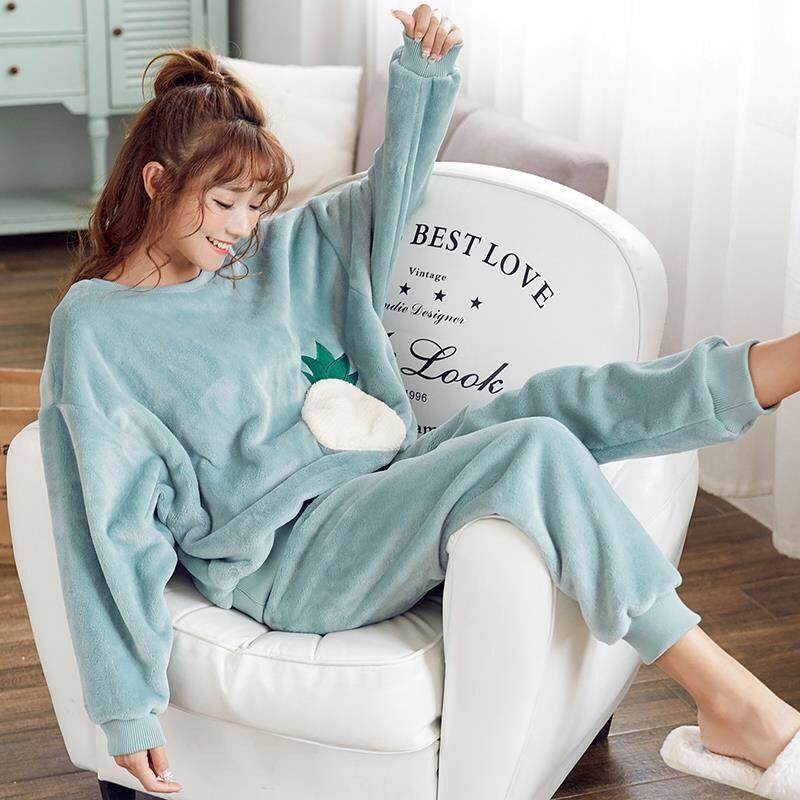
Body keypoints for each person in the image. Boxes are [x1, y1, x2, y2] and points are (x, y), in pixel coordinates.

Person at [37, 4, 800, 795]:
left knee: (551, 404)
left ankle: (768, 369)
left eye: (257, 204)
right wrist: (126, 709)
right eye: (224, 202)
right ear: (157, 182)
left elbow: (390, 191)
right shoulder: (98, 329)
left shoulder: (277, 252)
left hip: (380, 487)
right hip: (290, 561)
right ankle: (733, 705)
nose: (242, 228)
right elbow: (101, 526)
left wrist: (422, 76)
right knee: (532, 449)